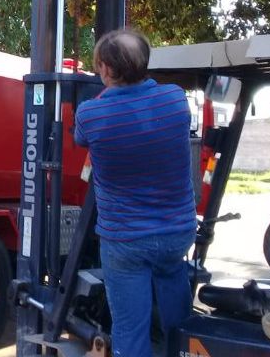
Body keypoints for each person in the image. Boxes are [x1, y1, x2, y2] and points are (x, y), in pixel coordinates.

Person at [73, 29, 197, 357]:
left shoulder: (90, 114)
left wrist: (106, 92)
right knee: (178, 317)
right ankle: (183, 350)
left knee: (130, 328)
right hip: (175, 234)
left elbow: (79, 140)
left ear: (104, 68)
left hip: (125, 240)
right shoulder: (175, 99)